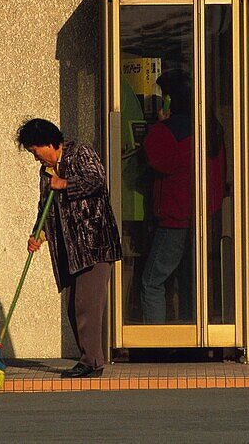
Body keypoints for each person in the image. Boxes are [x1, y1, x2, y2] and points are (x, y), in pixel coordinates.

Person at [19, 118, 121, 378]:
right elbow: (46, 209)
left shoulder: (80, 154)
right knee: (74, 307)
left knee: (86, 305)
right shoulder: (46, 173)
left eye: (35, 151)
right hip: (70, 252)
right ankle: (89, 359)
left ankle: (92, 362)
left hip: (94, 246)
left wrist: (64, 184)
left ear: (50, 143)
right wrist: (38, 235)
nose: (36, 158)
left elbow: (96, 181)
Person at [139, 70, 225, 323]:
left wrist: (158, 124)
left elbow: (159, 161)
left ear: (170, 99)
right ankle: (191, 335)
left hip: (175, 218)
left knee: (152, 282)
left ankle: (155, 343)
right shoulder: (212, 127)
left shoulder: (171, 129)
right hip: (205, 216)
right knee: (191, 282)